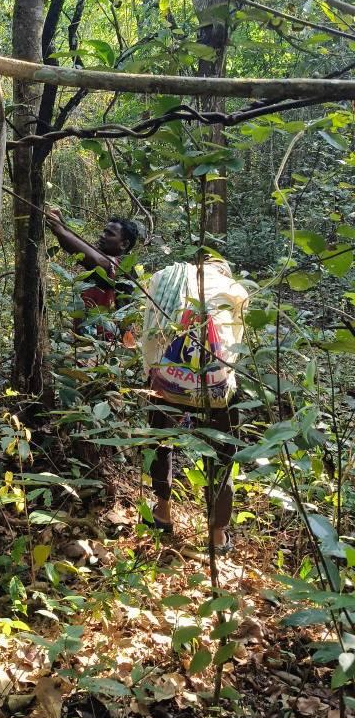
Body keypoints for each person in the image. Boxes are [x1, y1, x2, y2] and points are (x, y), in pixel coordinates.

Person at [141, 257, 249, 553]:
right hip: (216, 392)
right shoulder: (235, 291)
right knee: (222, 455)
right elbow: (235, 346)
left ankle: (162, 512)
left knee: (160, 442)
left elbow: (150, 332)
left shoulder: (170, 279)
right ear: (224, 273)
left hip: (167, 386)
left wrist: (154, 371)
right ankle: (217, 535)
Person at [45, 208, 139, 341]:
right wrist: (62, 225)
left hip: (110, 345)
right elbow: (83, 248)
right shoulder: (103, 258)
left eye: (109, 234)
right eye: (104, 231)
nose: (102, 235)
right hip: (88, 341)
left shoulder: (123, 266)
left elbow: (94, 258)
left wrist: (61, 230)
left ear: (124, 244)